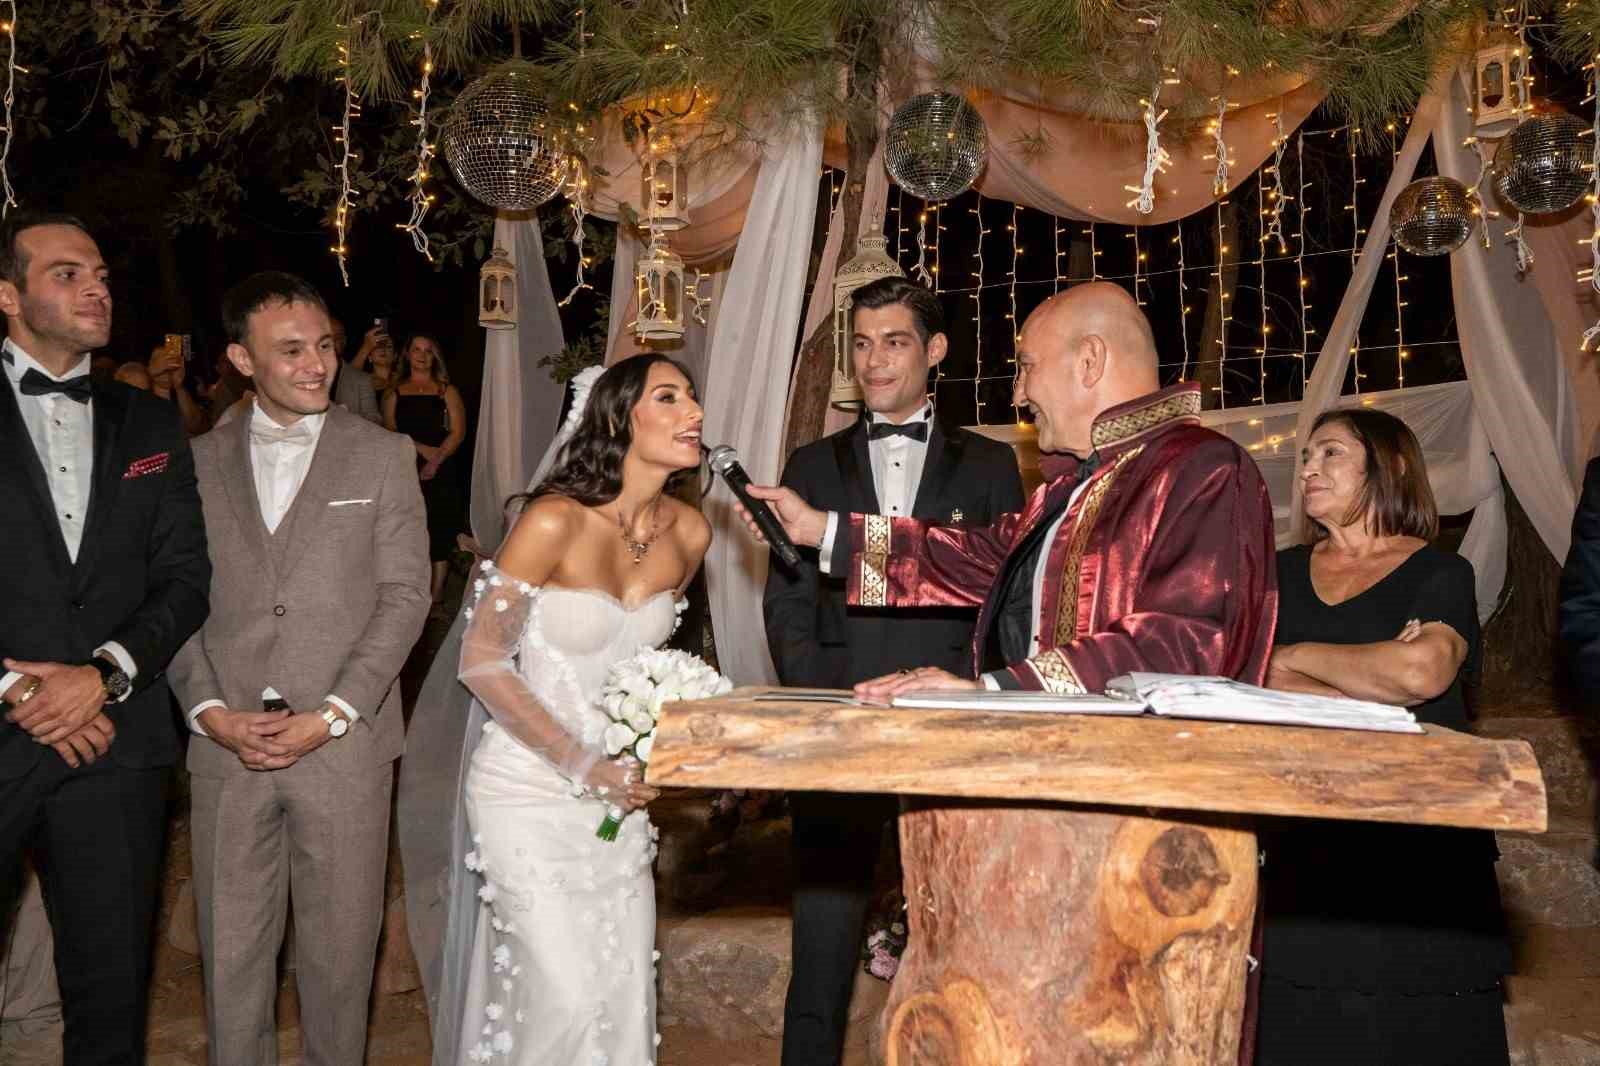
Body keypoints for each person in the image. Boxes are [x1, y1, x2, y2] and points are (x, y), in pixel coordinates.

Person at [739, 281, 1276, 699]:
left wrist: (994, 690)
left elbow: (1185, 645)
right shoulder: (1070, 489)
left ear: (1089, 362)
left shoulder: (1203, 468)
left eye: (1027, 367)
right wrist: (821, 530)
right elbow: (968, 559)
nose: (1018, 394)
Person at [167, 271, 430, 1066]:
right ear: (242, 360)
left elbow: (405, 596)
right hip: (227, 748)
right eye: (291, 350)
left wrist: (335, 711)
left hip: (345, 747)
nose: (316, 364)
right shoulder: (193, 463)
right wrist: (209, 711)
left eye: (323, 345)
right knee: (231, 961)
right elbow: (169, 599)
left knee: (340, 963)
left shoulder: (383, 454)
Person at [763, 276, 1024, 1066]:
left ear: (936, 350)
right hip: (840, 724)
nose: (873, 361)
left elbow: (1005, 603)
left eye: (895, 341)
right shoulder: (811, 463)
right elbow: (787, 601)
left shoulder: (992, 463)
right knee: (821, 949)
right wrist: (822, 699)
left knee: (966, 940)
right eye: (863, 343)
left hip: (952, 727)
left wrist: (986, 705)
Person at [431, 354, 710, 1066]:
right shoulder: (552, 521)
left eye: (692, 397)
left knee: (618, 993)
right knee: (564, 999)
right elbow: (482, 659)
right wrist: (583, 763)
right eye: (669, 398)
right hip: (527, 792)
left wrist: (648, 749)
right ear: (619, 418)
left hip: (619, 806)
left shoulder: (690, 534)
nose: (694, 413)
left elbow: (647, 670)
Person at [0, 212, 211, 1064]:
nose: (96, 288)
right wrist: (17, 688)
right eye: (66, 274)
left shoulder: (150, 423)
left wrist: (102, 675)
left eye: (100, 275)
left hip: (116, 745)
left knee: (111, 999)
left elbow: (186, 578)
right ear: (8, 295)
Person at [1256, 408, 1509, 1066]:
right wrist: (1370, 685)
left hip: (1419, 847)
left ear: (1390, 466)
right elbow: (1252, 675)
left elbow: (1422, 672)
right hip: (1303, 836)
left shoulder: (1441, 573)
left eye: (1331, 453)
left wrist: (1297, 656)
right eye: (1306, 456)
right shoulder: (1277, 574)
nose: (1308, 469)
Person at [385, 332, 467, 608]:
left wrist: (435, 460)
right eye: (416, 349)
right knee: (410, 528)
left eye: (428, 350)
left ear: (435, 356)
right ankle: (411, 589)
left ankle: (436, 596)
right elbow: (390, 431)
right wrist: (420, 449)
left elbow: (458, 432)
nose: (422, 355)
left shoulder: (447, 390)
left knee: (439, 528)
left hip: (442, 465)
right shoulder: (394, 392)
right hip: (406, 467)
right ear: (407, 355)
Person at [146, 340, 211, 437]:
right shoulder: (142, 397)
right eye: (158, 361)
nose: (165, 366)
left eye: (170, 360)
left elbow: (196, 426)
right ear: (149, 366)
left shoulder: (185, 391)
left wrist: (179, 386)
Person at [329, 316, 382, 425]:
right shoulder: (301, 375)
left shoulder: (362, 380)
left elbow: (374, 419)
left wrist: (348, 421)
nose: (332, 342)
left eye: (337, 337)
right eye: (326, 337)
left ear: (344, 341)